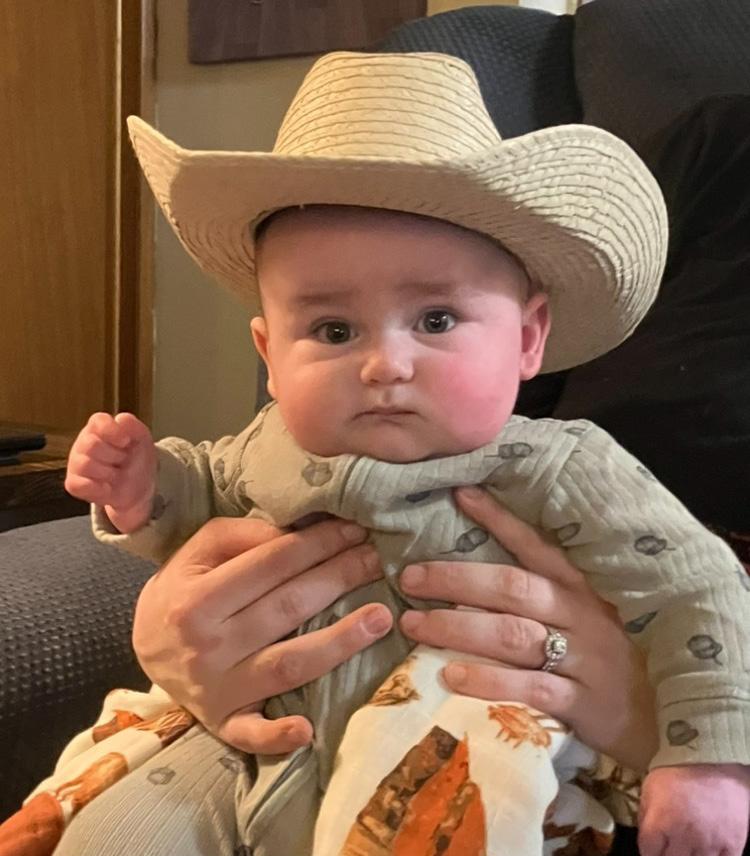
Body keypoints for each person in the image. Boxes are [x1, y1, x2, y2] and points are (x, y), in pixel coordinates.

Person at [3, 52, 748, 856]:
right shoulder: (268, 445)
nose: (385, 364)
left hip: (463, 724)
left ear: (529, 338)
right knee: (111, 836)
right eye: (333, 330)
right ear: (269, 355)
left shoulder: (562, 468)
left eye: (435, 320)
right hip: (251, 737)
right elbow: (200, 491)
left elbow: (697, 587)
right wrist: (143, 483)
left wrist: (708, 758)